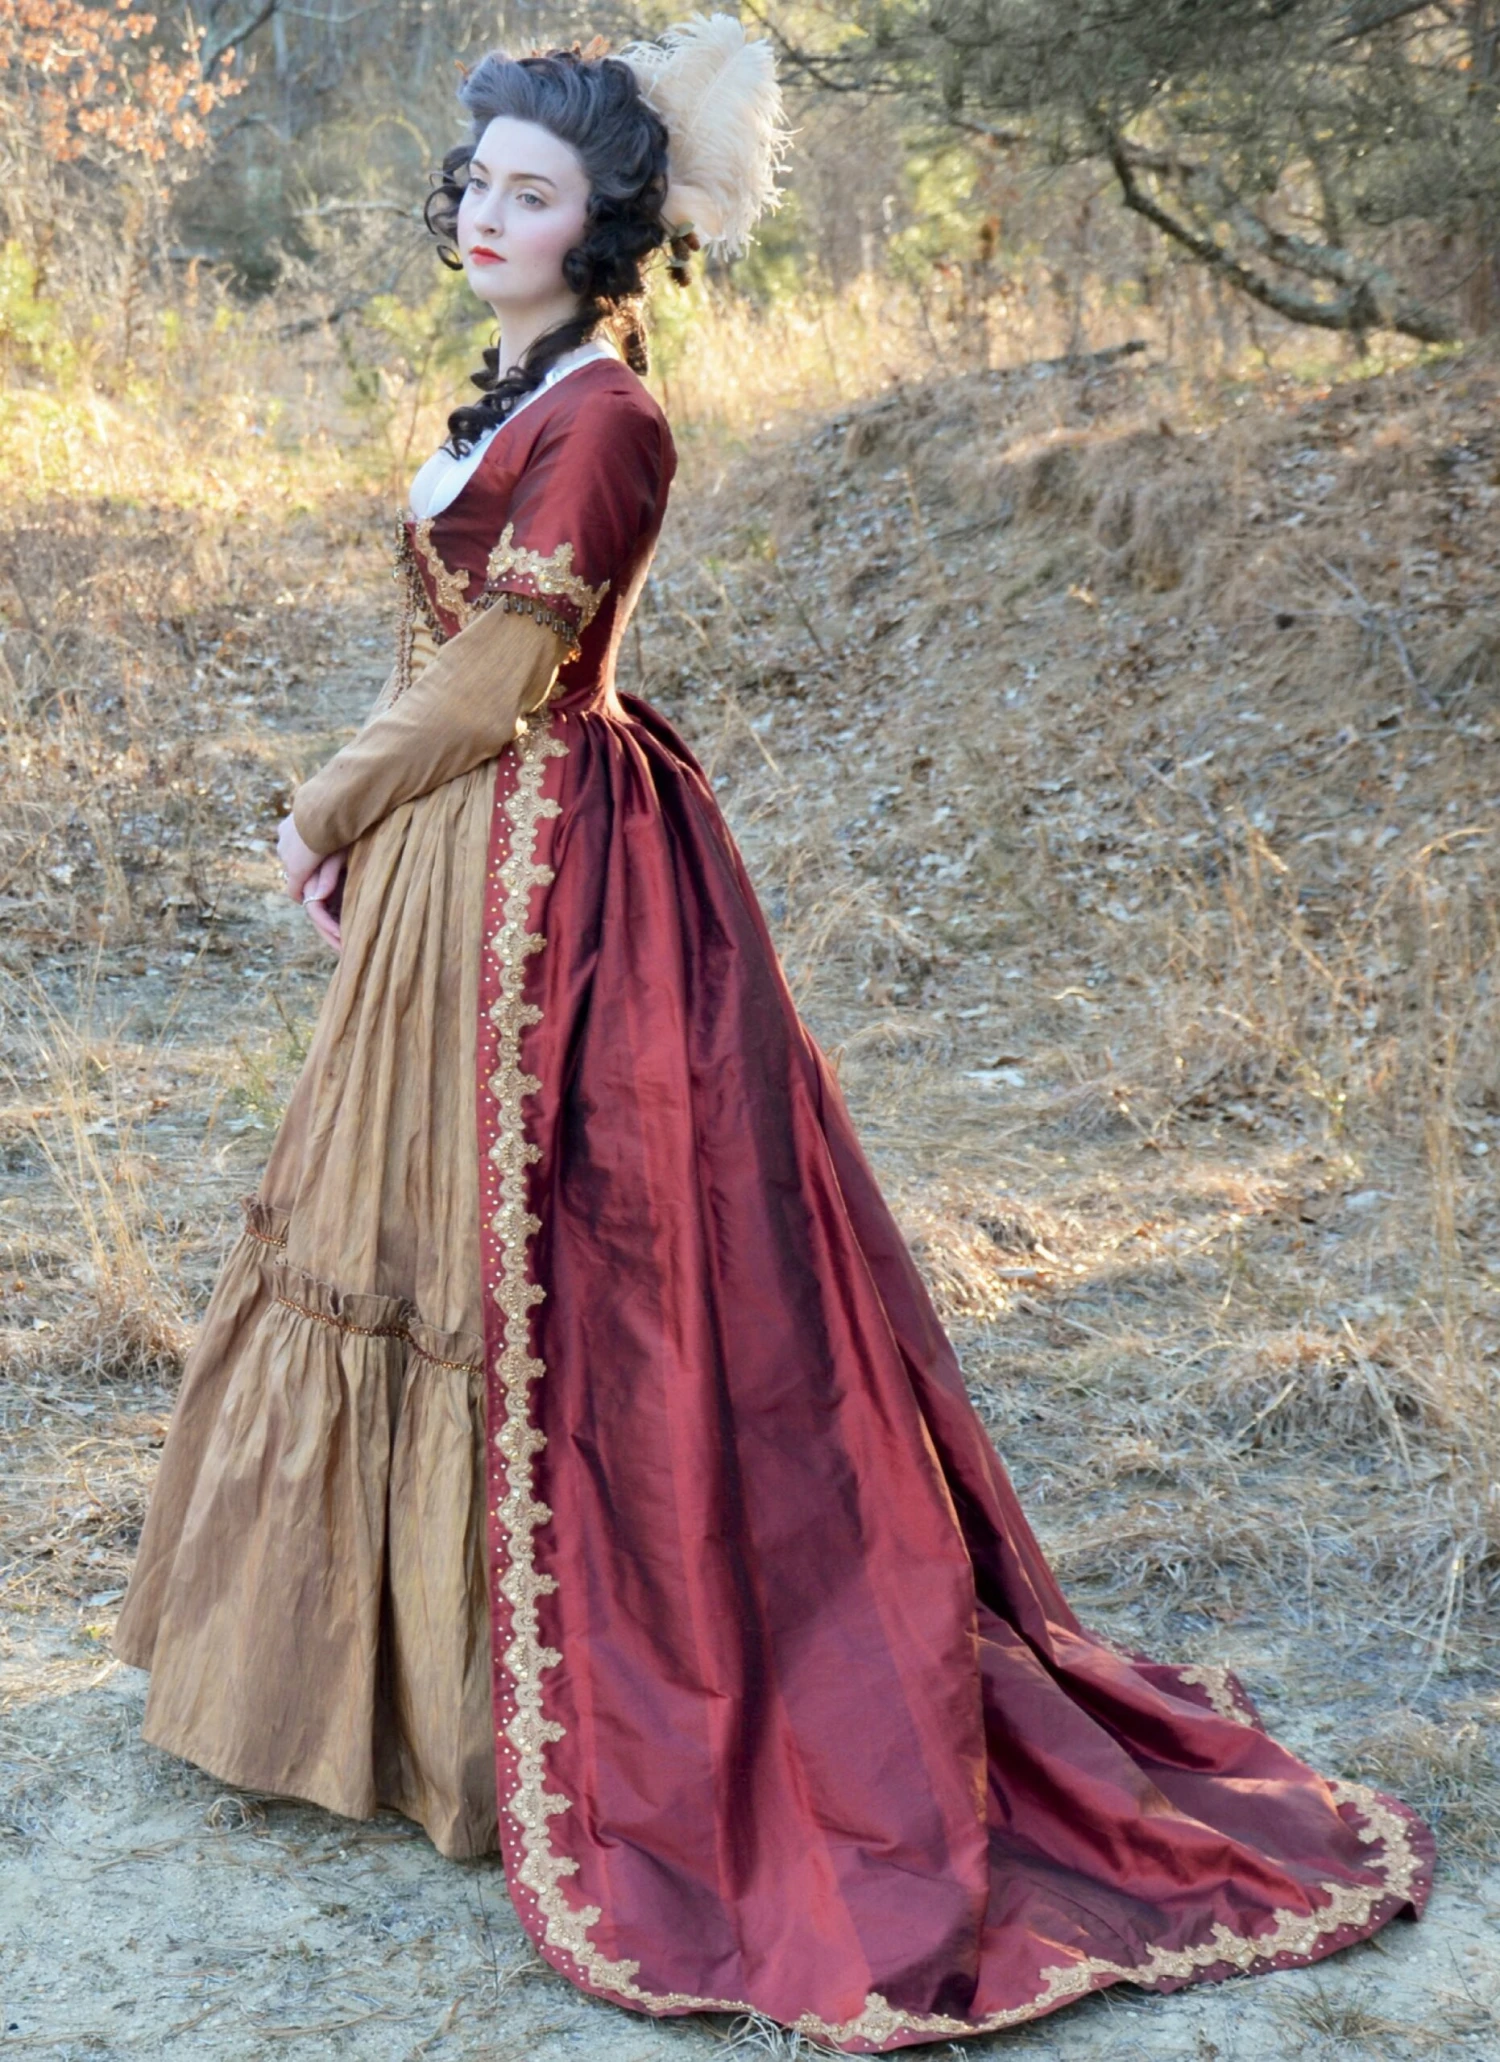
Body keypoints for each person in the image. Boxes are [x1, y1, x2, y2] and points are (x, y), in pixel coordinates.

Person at [112, 16, 1434, 2054]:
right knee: (418, 1243)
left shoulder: (610, 419)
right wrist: (367, 839)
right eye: (479, 182)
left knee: (585, 1278)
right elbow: (440, 676)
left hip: (561, 877)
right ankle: (403, 1708)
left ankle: (561, 1714)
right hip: (462, 858)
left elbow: (497, 678)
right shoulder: (518, 389)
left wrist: (316, 810)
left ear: (605, 226)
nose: (489, 212)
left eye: (534, 192)